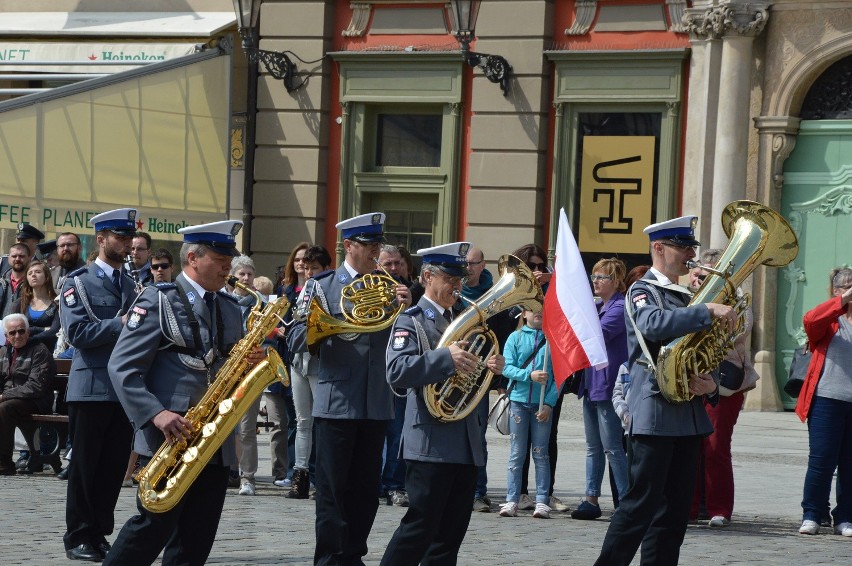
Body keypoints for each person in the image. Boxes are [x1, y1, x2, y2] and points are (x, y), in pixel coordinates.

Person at [104, 220, 258, 565]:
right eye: (219, 258)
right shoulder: (158, 300)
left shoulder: (230, 307)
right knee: (151, 528)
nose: (227, 267)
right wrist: (156, 413)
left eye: (228, 258)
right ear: (192, 258)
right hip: (170, 436)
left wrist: (250, 363)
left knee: (196, 539)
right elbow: (122, 367)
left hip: (213, 439)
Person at [593, 215, 736, 566]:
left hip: (688, 415)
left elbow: (705, 348)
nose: (690, 254)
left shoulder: (688, 294)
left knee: (674, 515)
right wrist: (706, 310)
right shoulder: (644, 290)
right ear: (659, 248)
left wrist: (712, 383)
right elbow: (652, 324)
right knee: (639, 506)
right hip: (654, 410)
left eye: (691, 248)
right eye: (682, 247)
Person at [287, 212, 411, 565]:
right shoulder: (321, 286)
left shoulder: (388, 286)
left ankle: (353, 555)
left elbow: (400, 342)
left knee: (366, 492)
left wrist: (406, 309)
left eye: (377, 245)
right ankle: (329, 558)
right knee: (331, 491)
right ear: (349, 246)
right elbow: (295, 336)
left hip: (376, 402)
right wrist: (334, 326)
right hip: (335, 401)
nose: (376, 252)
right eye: (370, 245)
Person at [381, 242, 504, 564]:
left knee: (451, 535)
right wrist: (444, 357)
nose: (457, 286)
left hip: (465, 441)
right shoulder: (412, 321)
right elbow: (396, 371)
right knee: (420, 527)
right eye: (450, 279)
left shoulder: (466, 320)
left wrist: (489, 369)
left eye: (459, 279)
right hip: (430, 441)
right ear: (427, 277)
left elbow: (467, 380)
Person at [60, 208, 138, 561]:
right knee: (85, 467)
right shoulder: (78, 282)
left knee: (112, 469)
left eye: (128, 238)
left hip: (124, 390)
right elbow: (77, 333)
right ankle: (78, 534)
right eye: (119, 237)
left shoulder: (133, 284)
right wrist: (120, 323)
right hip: (91, 387)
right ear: (101, 239)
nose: (126, 244)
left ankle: (99, 533)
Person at [688, 249, 759, 528]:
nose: (705, 278)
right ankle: (690, 506)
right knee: (690, 445)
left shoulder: (737, 298)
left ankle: (719, 508)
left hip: (724, 382)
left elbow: (739, 330)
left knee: (716, 446)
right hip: (691, 378)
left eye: (710, 273)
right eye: (702, 273)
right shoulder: (690, 294)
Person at [462, 246, 520, 513]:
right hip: (454, 370)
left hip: (481, 376)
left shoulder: (494, 296)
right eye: (463, 264)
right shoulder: (454, 292)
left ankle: (477, 491)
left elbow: (503, 338)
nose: (467, 269)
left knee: (477, 436)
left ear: (482, 264)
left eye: (472, 264)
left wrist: (500, 379)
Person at [795, 267, 852, 537]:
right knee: (821, 460)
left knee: (850, 463)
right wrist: (841, 303)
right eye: (849, 286)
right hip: (827, 400)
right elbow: (810, 321)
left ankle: (846, 517)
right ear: (837, 291)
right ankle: (813, 514)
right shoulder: (830, 319)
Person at [510, 243, 567, 512]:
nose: (536, 270)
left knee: (546, 442)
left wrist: (550, 282)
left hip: (548, 382)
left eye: (540, 265)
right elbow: (508, 332)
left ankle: (545, 493)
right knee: (518, 447)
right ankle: (517, 493)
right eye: (530, 265)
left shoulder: (550, 289)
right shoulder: (514, 291)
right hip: (519, 383)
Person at [573, 258, 629, 520]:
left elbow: (597, 335)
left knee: (613, 447)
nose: (595, 282)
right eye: (594, 276)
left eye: (601, 277)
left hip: (608, 385)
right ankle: (590, 498)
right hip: (592, 383)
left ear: (616, 281)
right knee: (592, 446)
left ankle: (627, 503)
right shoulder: (597, 307)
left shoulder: (619, 308)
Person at [499, 308, 557, 520]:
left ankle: (542, 500)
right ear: (524, 313)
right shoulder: (515, 337)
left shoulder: (552, 339)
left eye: (542, 310)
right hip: (519, 402)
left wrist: (550, 404)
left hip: (541, 405)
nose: (539, 313)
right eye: (533, 310)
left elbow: (558, 375)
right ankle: (512, 499)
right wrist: (528, 375)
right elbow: (506, 367)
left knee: (541, 453)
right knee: (517, 453)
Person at [284, 245, 331, 499]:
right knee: (302, 421)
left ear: (326, 269)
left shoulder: (328, 290)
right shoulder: (301, 292)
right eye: (307, 268)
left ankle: (321, 478)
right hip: (298, 360)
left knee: (321, 421)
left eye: (315, 268)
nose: (310, 273)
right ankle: (299, 477)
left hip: (318, 360)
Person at [0, 314, 57, 475]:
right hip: (11, 399)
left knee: (4, 408)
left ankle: (4, 464)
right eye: (12, 333)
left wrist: (5, 395)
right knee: (5, 406)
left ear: (28, 332)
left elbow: (35, 386)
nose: (17, 336)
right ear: (6, 336)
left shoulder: (39, 350)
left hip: (36, 400)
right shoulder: (4, 352)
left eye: (21, 331)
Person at [378, 244, 409, 507]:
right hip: (373, 372)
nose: (394, 268)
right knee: (374, 433)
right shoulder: (369, 288)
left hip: (398, 374)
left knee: (398, 433)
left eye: (397, 263)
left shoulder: (411, 290)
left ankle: (394, 485)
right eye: (388, 264)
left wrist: (409, 306)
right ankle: (374, 483)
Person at [229, 254, 263, 496]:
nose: (246, 278)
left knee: (247, 427)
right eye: (241, 273)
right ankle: (226, 470)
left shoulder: (260, 303)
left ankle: (247, 477)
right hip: (226, 371)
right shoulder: (222, 301)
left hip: (251, 370)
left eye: (249, 274)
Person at [11, 260, 60, 352]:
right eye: (29, 273)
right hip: (22, 354)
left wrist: (28, 339)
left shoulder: (57, 303)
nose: (33, 275)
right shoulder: (19, 303)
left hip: (47, 352)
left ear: (47, 277)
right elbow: (13, 329)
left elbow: (54, 331)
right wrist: (43, 329)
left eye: (38, 272)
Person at [1, 243, 32, 317]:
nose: (17, 259)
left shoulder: (34, 283)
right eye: (14, 256)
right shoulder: (1, 282)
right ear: (8, 258)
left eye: (21, 256)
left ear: (29, 258)